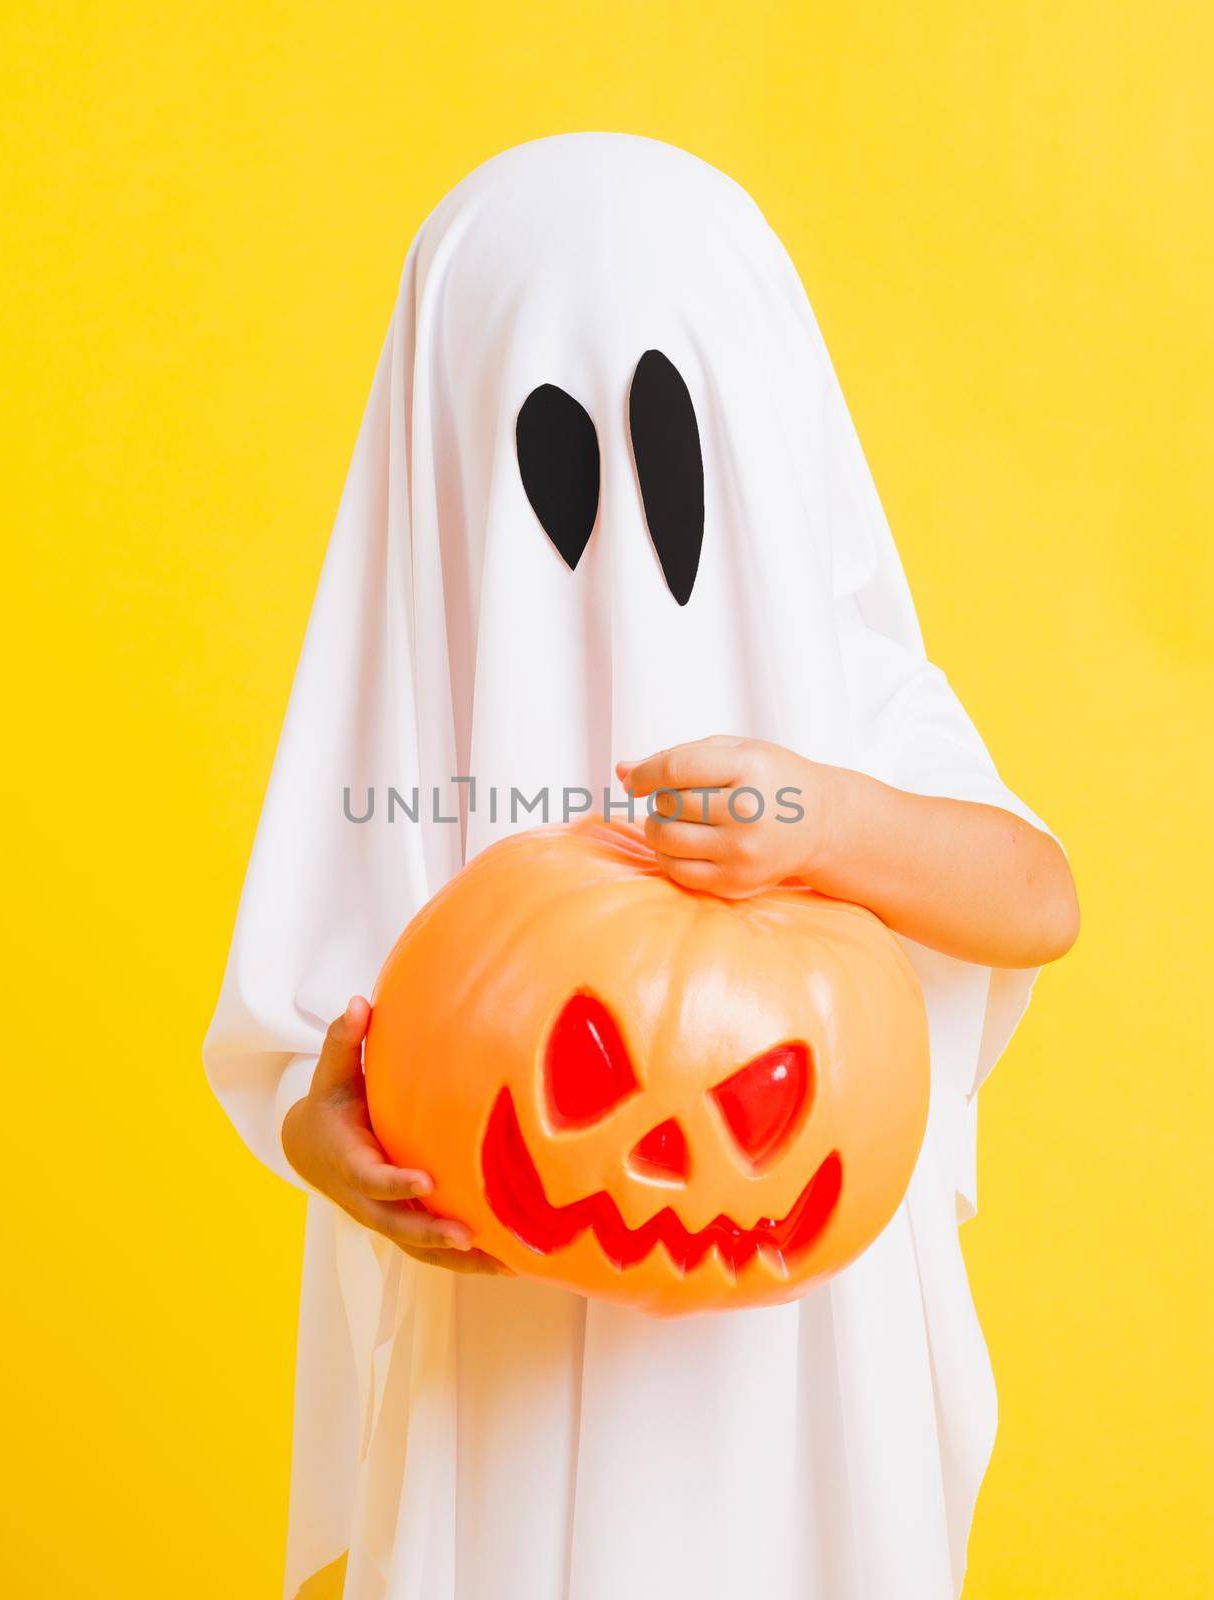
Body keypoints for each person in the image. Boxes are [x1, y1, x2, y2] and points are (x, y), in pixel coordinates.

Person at [205, 133, 1078, 1600]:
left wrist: (832, 824)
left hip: (804, 1356)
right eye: (546, 440)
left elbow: (1036, 897)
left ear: (754, 436)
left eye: (668, 432)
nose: (608, 510)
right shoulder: (413, 722)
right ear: (449, 450)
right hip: (505, 1347)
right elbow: (300, 1038)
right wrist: (325, 1142)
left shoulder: (846, 696)